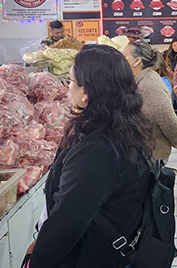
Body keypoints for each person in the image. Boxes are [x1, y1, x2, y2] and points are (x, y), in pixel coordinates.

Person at [27, 45, 154, 267]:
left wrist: (36, 260)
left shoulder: (96, 150)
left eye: (71, 82)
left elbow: (68, 221)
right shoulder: (124, 125)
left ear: (86, 93)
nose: (67, 89)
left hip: (93, 255)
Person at [122, 41, 177, 161]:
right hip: (142, 151)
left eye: (124, 56)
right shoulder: (138, 80)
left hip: (153, 154)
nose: (120, 60)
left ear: (137, 61)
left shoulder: (150, 85)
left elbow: (167, 119)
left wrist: (175, 140)